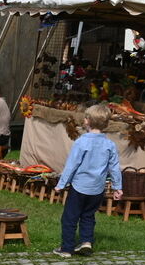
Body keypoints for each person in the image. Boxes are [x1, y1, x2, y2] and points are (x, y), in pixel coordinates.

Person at [52, 103, 122, 257]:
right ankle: (86, 242)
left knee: (69, 218)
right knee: (88, 216)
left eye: (85, 118)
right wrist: (118, 187)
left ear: (88, 121)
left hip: (79, 187)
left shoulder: (81, 142)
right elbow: (115, 167)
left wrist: (61, 184)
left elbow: (71, 165)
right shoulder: (110, 144)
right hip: (98, 189)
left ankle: (66, 249)